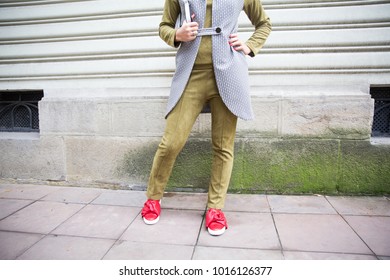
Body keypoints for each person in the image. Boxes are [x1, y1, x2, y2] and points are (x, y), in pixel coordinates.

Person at [141, 0, 271, 236]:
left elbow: (264, 24)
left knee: (223, 146)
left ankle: (215, 208)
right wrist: (177, 34)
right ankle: (153, 198)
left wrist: (249, 45)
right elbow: (164, 27)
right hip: (191, 74)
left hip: (229, 71)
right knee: (171, 143)